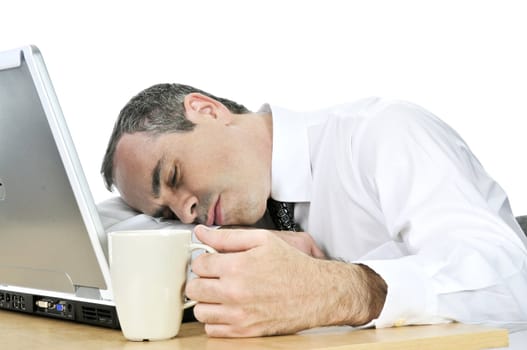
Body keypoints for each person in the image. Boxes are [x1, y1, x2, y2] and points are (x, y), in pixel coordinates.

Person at [101, 83, 527, 338]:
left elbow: (513, 281)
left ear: (207, 110)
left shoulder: (381, 133)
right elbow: (103, 230)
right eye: (169, 214)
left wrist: (337, 289)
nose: (186, 211)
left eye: (174, 175)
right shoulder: (245, 221)